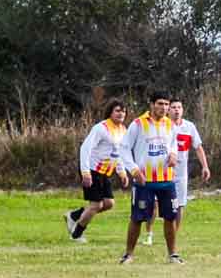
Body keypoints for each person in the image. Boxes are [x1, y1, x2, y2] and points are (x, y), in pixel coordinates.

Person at [119, 95, 182, 264]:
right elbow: (124, 148)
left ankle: (173, 254)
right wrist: (133, 170)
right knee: (138, 217)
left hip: (167, 179)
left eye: (167, 104)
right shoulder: (138, 124)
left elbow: (174, 143)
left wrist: (174, 154)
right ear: (152, 105)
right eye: (160, 104)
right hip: (144, 180)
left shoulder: (170, 124)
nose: (164, 107)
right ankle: (128, 254)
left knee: (170, 217)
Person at [67, 99, 129, 241]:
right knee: (96, 204)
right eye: (118, 110)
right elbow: (85, 148)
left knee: (109, 204)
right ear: (110, 112)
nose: (121, 114)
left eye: (123, 111)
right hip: (91, 169)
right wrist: (85, 172)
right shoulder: (101, 128)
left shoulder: (123, 130)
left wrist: (122, 172)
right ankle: (76, 234)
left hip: (105, 172)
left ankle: (74, 216)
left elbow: (117, 152)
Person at [169, 96, 211, 256]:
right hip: (163, 172)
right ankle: (149, 233)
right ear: (169, 110)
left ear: (183, 109)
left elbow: (198, 147)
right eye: (173, 107)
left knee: (180, 205)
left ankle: (174, 235)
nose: (176, 110)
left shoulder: (189, 127)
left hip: (181, 174)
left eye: (179, 107)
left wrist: (205, 166)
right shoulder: (164, 126)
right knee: (156, 205)